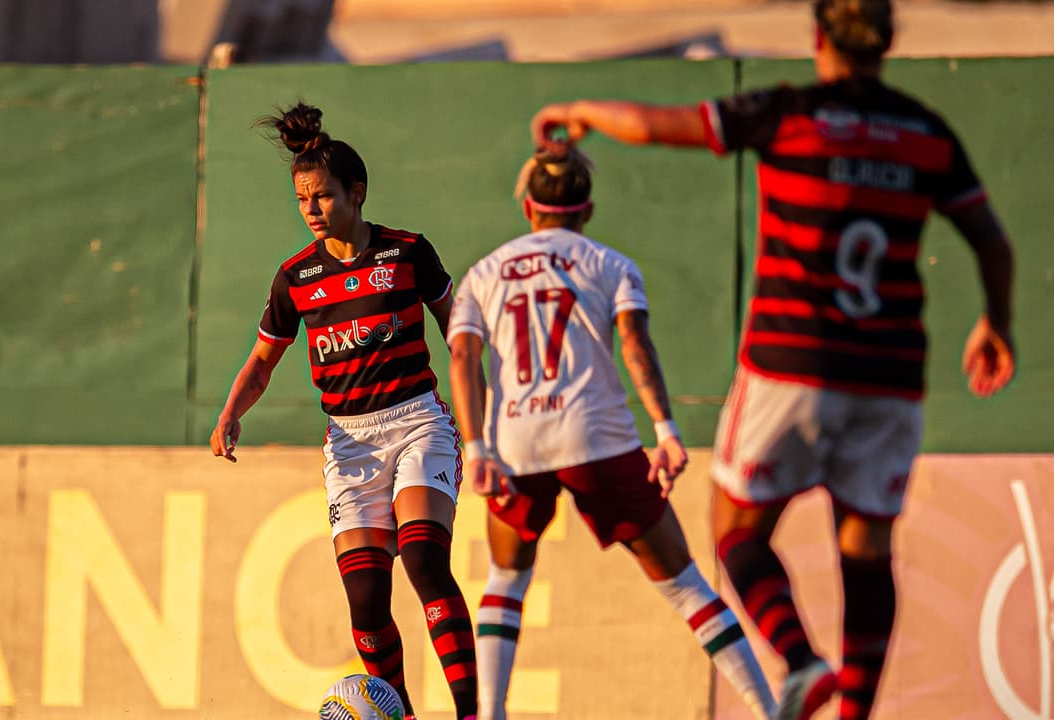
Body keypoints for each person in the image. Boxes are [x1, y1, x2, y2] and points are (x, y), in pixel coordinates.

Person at [528, 1, 1017, 719]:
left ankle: (802, 660)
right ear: (888, 43)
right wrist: (996, 322)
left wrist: (581, 110)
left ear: (818, 37)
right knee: (866, 546)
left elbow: (665, 126)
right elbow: (993, 242)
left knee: (734, 530)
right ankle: (853, 710)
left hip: (791, 361)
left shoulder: (789, 112)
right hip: (888, 374)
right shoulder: (927, 132)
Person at [447, 143, 777, 720]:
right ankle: (771, 711)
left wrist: (476, 447)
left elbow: (463, 358)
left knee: (506, 580)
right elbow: (635, 347)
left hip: (516, 442)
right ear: (587, 210)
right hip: (595, 437)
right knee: (685, 585)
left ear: (528, 208)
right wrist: (666, 429)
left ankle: (489, 714)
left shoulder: (484, 272)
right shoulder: (611, 264)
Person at [209, 102, 478, 720]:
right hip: (350, 443)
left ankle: (471, 712)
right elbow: (261, 361)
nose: (310, 208)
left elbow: (458, 329)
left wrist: (477, 410)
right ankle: (401, 713)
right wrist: (230, 412)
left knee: (423, 558)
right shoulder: (295, 278)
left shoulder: (407, 252)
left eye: (323, 196)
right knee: (365, 599)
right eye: (302, 199)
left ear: (356, 193)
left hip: (417, 423)